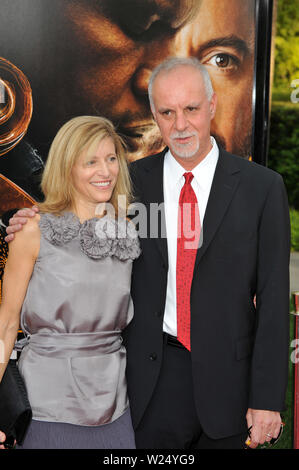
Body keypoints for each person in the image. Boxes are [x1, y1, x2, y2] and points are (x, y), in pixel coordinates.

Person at [5, 57, 290, 450]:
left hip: (230, 383)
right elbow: (74, 212)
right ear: (154, 114)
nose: (181, 124)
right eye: (167, 112)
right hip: (149, 385)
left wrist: (267, 400)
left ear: (211, 105)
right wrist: (31, 216)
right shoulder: (129, 185)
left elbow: (274, 303)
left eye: (191, 109)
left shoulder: (263, 188)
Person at [0, 115, 140, 449]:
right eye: (90, 162)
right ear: (67, 167)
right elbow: (5, 325)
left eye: (110, 159)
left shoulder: (128, 231)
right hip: (47, 404)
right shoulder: (33, 230)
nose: (104, 172)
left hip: (115, 404)